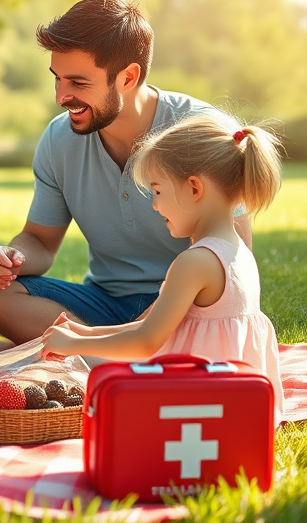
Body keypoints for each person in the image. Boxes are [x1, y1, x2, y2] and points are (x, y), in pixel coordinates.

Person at [0, 0, 253, 343]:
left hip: (187, 303)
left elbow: (234, 261)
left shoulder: (203, 133)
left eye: (78, 82)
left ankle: (91, 352)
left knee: (178, 318)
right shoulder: (59, 139)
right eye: (57, 78)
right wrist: (13, 257)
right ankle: (107, 349)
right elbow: (40, 241)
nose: (60, 96)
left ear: (128, 77)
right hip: (103, 302)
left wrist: (158, 316)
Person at [41, 113, 284, 415]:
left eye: (157, 191)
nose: (154, 205)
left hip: (194, 401)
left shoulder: (195, 262)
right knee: (83, 360)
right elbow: (148, 326)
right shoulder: (235, 252)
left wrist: (75, 345)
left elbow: (145, 341)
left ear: (194, 188)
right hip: (232, 396)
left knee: (77, 372)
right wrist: (80, 334)